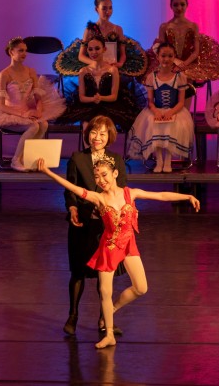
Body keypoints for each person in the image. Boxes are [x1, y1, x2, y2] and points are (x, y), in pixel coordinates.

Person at [37, 156, 200, 349]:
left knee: (141, 288)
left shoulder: (130, 193)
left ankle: (111, 310)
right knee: (105, 292)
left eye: (104, 175)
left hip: (129, 245)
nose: (100, 180)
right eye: (97, 177)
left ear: (115, 174)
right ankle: (109, 334)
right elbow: (72, 187)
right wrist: (47, 172)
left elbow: (161, 196)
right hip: (109, 247)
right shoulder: (99, 198)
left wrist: (187, 197)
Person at [63, 115, 127, 336]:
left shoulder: (116, 160)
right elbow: (70, 189)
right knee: (78, 272)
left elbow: (122, 190)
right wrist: (72, 208)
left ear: (109, 137)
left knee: (104, 275)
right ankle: (73, 315)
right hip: (82, 222)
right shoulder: (77, 158)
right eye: (93, 132)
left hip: (105, 227)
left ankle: (104, 319)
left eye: (102, 133)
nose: (97, 137)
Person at [0, 37, 66, 171]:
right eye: (20, 51)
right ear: (11, 52)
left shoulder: (31, 71)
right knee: (34, 127)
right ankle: (15, 160)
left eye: (25, 50)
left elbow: (38, 97)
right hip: (11, 113)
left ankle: (28, 158)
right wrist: (23, 114)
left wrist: (38, 111)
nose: (24, 54)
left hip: (28, 111)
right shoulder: (5, 74)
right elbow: (1, 105)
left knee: (44, 124)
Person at [128, 43, 194, 172]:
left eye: (170, 56)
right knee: (153, 124)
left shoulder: (180, 77)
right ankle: (159, 160)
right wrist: (156, 112)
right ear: (158, 57)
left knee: (172, 126)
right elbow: (150, 101)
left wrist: (171, 112)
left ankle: (168, 161)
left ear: (174, 57)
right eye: (163, 56)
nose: (166, 59)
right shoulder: (151, 77)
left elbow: (181, 102)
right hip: (156, 109)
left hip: (175, 110)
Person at [56, 35, 140, 132]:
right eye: (90, 49)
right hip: (89, 106)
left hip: (109, 105)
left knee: (103, 126)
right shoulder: (83, 71)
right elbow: (82, 97)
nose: (94, 52)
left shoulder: (113, 70)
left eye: (97, 48)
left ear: (104, 49)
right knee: (87, 127)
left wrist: (100, 98)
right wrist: (93, 99)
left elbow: (114, 96)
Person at [55, 0, 148, 79]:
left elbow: (123, 54)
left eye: (110, 8)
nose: (108, 12)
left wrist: (120, 63)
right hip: (94, 65)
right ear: (96, 9)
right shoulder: (90, 30)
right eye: (104, 8)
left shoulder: (118, 29)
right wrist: (96, 63)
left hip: (112, 65)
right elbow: (81, 56)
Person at [146, 0, 219, 87]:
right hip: (169, 62)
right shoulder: (164, 27)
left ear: (187, 5)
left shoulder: (193, 26)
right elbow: (162, 50)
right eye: (175, 5)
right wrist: (175, 61)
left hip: (188, 64)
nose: (179, 8)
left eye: (182, 4)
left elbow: (195, 52)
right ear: (170, 6)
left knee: (187, 80)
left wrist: (183, 64)